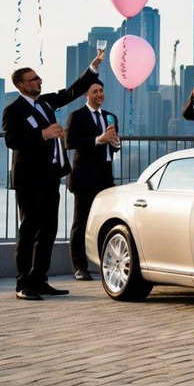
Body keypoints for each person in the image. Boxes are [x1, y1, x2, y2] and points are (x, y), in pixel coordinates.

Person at [3, 49, 104, 300]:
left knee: (49, 230)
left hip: (50, 178)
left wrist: (92, 68)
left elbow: (71, 92)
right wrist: (42, 134)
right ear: (20, 85)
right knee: (29, 230)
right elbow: (11, 140)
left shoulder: (46, 102)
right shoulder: (13, 110)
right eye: (33, 79)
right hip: (29, 179)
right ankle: (22, 283)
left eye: (38, 78)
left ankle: (40, 279)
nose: (39, 81)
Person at [64, 81, 121, 281]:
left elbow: (113, 145)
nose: (99, 94)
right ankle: (79, 267)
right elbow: (69, 143)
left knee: (106, 221)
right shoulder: (77, 116)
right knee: (81, 223)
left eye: (101, 91)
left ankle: (104, 264)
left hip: (105, 177)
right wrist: (99, 139)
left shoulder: (110, 116)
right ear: (86, 96)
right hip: (84, 177)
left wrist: (115, 143)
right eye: (95, 91)